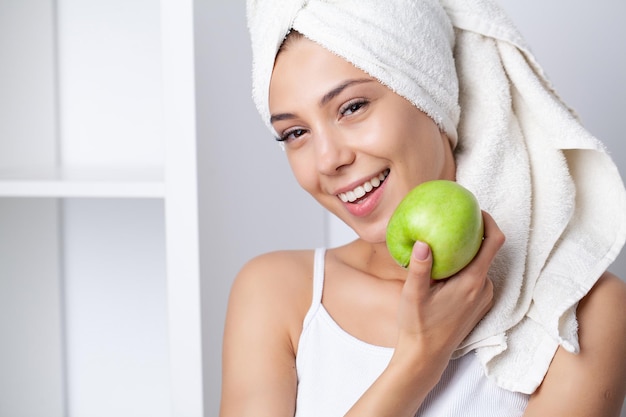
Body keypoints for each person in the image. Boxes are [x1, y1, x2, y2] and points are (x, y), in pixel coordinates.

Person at [221, 0, 626, 416]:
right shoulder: (277, 293)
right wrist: (418, 359)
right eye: (295, 132)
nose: (328, 160)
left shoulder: (576, 313)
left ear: (429, 93)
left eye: (353, 107)